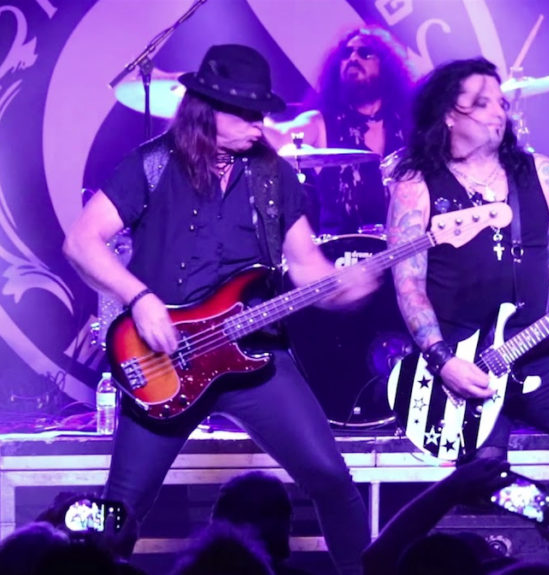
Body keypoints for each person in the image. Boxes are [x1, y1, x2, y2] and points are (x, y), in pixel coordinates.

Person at [63, 44, 378, 575]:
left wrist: (343, 288)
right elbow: (81, 241)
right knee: (121, 509)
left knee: (331, 477)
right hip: (165, 359)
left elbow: (306, 267)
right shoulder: (152, 164)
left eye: (262, 114)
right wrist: (140, 299)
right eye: (247, 114)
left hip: (254, 355)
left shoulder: (273, 175)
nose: (260, 126)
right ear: (207, 109)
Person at [385, 57, 549, 565]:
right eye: (481, 103)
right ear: (449, 114)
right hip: (461, 365)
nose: (497, 112)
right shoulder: (417, 183)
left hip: (533, 351)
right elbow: (408, 284)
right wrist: (442, 360)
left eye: (500, 102)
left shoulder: (538, 173)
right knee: (483, 479)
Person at [265, 26, 415, 235]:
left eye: (365, 53)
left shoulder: (408, 123)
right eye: (346, 53)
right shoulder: (322, 121)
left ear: (386, 65)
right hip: (342, 251)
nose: (353, 58)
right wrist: (247, 111)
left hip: (404, 246)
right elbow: (281, 139)